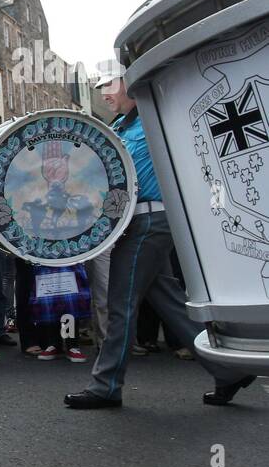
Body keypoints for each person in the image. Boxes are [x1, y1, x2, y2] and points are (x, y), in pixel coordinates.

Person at [64, 74, 255, 408]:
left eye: (111, 86)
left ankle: (106, 385)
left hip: (149, 220)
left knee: (120, 303)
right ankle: (229, 370)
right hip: (136, 221)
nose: (106, 95)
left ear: (132, 84)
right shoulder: (123, 125)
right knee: (172, 304)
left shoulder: (156, 120)